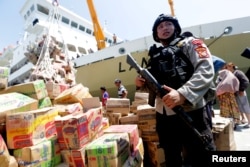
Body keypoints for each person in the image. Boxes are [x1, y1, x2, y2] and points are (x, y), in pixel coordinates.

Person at [135, 14, 216, 167]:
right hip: (164, 115)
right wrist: (141, 84)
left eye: (168, 24)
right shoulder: (155, 55)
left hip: (191, 111)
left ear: (176, 28)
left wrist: (183, 93)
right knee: (171, 156)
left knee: (200, 154)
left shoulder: (191, 43)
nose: (165, 28)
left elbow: (205, 69)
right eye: (160, 27)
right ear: (156, 34)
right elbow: (156, 85)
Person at [226, 62, 250, 128]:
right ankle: (241, 120)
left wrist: (242, 90)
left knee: (245, 106)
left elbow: (246, 81)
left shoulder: (238, 72)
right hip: (236, 93)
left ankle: (249, 122)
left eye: (227, 67)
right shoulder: (231, 74)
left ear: (231, 67)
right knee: (239, 107)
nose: (226, 68)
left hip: (240, 92)